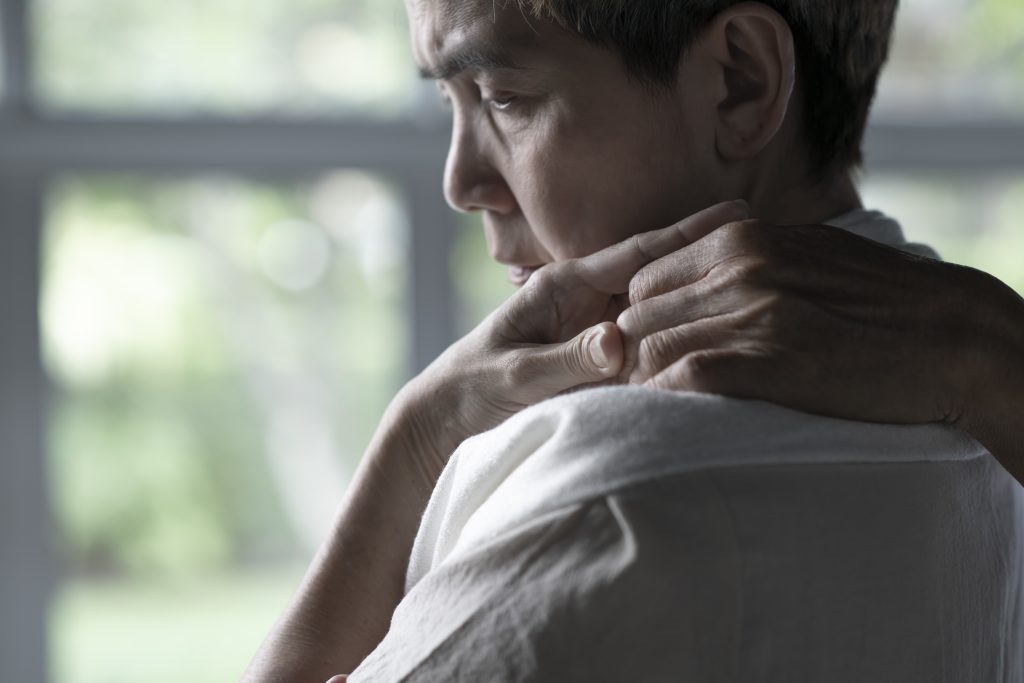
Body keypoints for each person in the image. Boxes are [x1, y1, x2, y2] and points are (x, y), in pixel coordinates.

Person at [243, 1, 1024, 681]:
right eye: (449, 99)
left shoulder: (596, 494)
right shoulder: (985, 428)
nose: (460, 182)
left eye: (503, 96)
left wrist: (416, 438)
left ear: (739, 82)